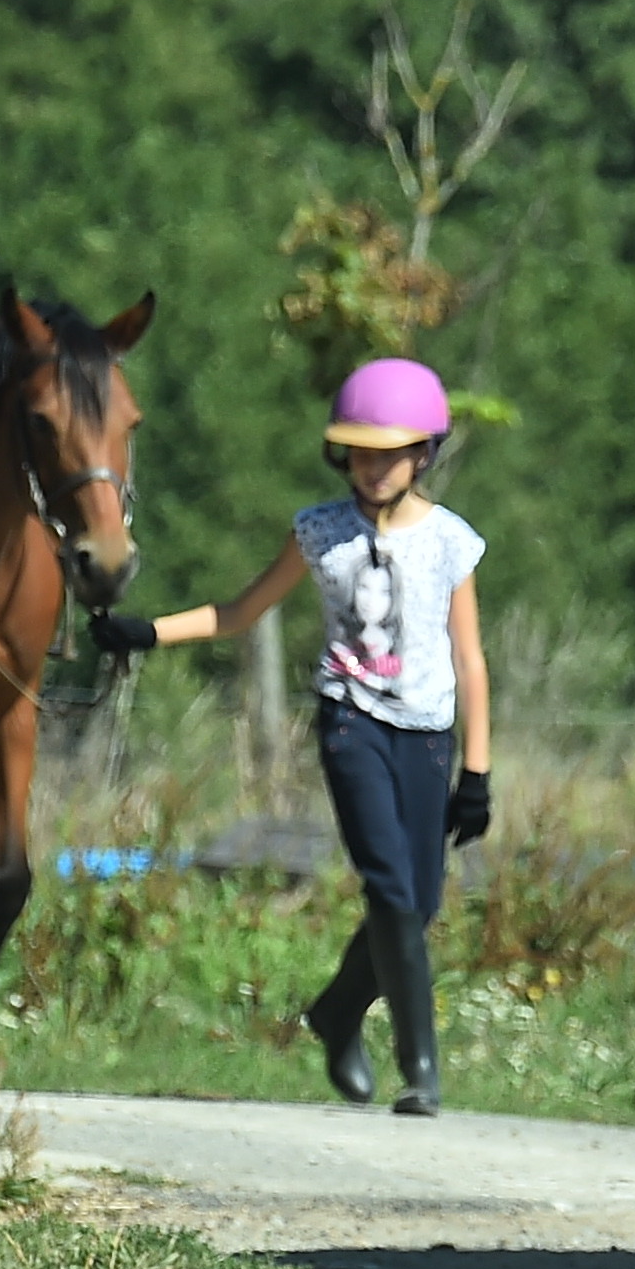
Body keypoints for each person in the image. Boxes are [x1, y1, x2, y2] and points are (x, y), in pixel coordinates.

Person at [91, 357, 493, 1116]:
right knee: (388, 888)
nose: (372, 468)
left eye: (390, 454)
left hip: (428, 734)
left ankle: (337, 1011)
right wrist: (147, 632)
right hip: (351, 720)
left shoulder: (450, 541)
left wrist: (476, 772)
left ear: (424, 453)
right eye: (359, 453)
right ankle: (420, 1067)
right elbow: (240, 611)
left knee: (420, 905)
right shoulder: (321, 532)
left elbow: (470, 658)